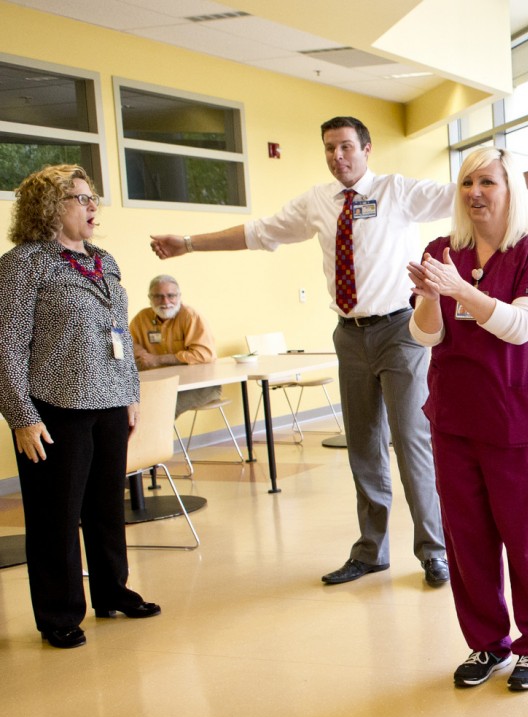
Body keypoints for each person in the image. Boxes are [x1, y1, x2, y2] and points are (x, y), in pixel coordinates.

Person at [148, 116, 460, 588]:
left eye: (347, 147)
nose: (338, 157)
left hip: (400, 330)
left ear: (367, 148)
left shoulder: (397, 191)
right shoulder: (318, 202)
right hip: (349, 335)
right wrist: (188, 245)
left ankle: (434, 551)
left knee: (411, 441)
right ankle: (371, 551)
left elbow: (465, 193)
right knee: (363, 447)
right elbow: (258, 232)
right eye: (330, 149)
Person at [405, 146, 528, 691]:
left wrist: (459, 290)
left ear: (509, 189)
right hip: (456, 416)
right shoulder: (441, 249)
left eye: (488, 182)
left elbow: (523, 325)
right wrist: (431, 297)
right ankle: (486, 642)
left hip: (519, 417)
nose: (475, 192)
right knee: (467, 541)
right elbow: (428, 333)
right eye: (467, 182)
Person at [0, 164, 160, 650]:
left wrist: (130, 392)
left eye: (93, 199)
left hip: (110, 401)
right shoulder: (23, 263)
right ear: (49, 207)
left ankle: (113, 590)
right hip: (54, 407)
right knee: (56, 515)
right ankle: (59, 613)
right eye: (80, 198)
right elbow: (5, 346)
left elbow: (120, 332)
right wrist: (21, 416)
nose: (93, 207)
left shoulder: (103, 259)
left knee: (106, 507)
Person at [129, 274, 222, 415]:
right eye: (158, 296)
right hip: (161, 384)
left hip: (200, 385)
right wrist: (140, 353)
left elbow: (205, 355)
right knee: (131, 407)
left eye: (171, 295)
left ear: (179, 296)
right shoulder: (141, 318)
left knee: (160, 408)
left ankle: (158, 437)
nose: (165, 301)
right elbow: (128, 344)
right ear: (150, 298)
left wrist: (158, 359)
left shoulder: (190, 316)